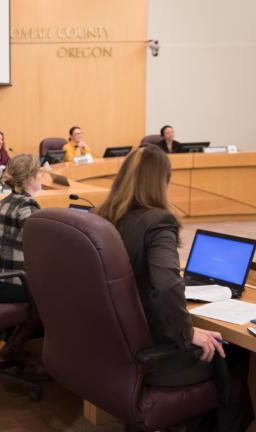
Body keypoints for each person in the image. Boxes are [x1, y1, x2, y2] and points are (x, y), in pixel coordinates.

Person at [96, 146, 252, 431]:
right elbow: (167, 285)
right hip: (154, 355)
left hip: (114, 348)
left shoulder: (105, 218)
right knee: (233, 351)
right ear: (161, 181)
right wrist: (189, 332)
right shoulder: (158, 222)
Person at [0, 154, 44, 362]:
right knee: (53, 297)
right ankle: (15, 347)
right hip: (9, 282)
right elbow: (40, 248)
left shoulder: (5, 202)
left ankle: (12, 340)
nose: (42, 176)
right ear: (30, 178)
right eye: (39, 172)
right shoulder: (27, 206)